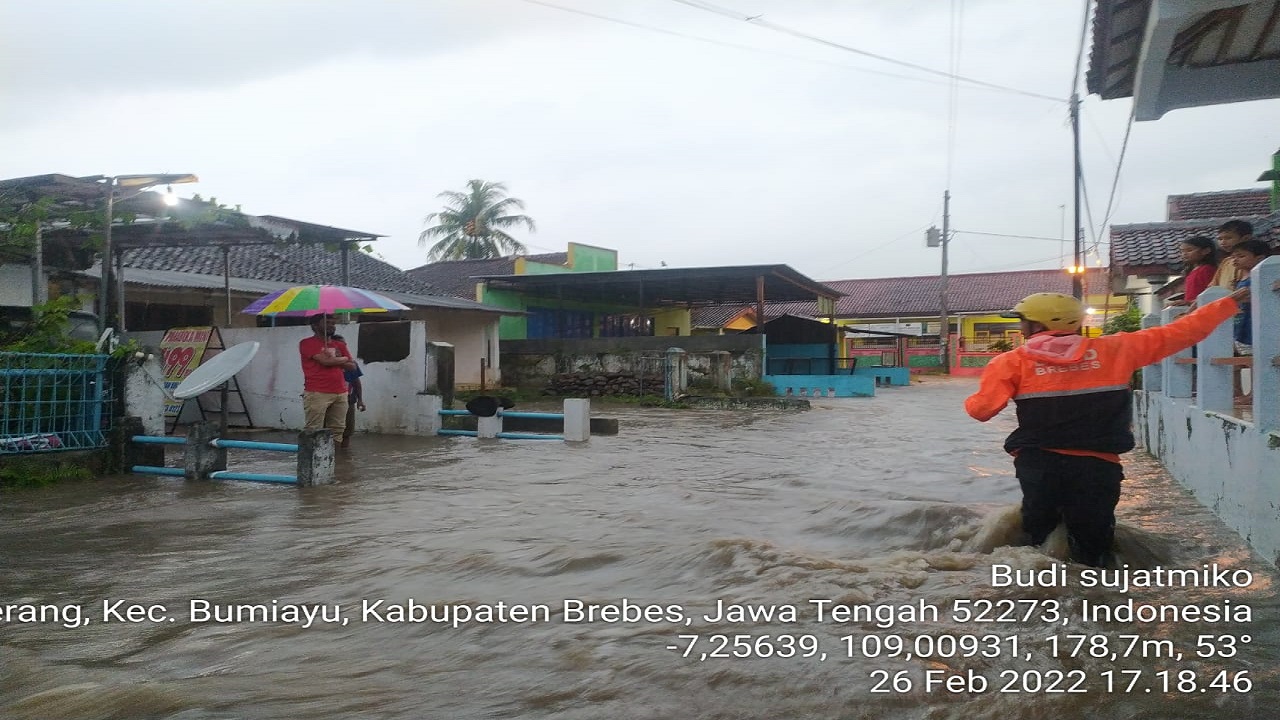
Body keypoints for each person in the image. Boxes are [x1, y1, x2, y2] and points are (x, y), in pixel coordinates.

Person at [964, 287, 1249, 567]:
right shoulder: (1117, 349)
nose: (1021, 326)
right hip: (1098, 464)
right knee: (1093, 541)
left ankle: (1041, 592)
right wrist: (1223, 306)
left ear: (1038, 323)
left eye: (1022, 320)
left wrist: (976, 396)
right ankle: (1096, 596)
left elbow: (982, 411)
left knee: (1038, 531)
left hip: (1038, 463)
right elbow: (1181, 333)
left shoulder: (1010, 362)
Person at [299, 314, 356, 438]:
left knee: (338, 430)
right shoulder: (307, 343)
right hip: (317, 392)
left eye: (333, 323)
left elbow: (352, 366)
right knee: (313, 429)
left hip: (340, 392)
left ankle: (336, 457)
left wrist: (340, 358)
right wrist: (343, 359)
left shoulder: (339, 345)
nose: (331, 325)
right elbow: (326, 362)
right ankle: (312, 457)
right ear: (314, 326)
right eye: (327, 322)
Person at [1228, 239, 1272, 355]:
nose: (1235, 260)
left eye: (1241, 256)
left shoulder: (1263, 278)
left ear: (1259, 258)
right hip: (1241, 327)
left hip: (1255, 329)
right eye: (1233, 257)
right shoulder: (1240, 279)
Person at [331, 333, 366, 448]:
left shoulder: (351, 364)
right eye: (339, 346)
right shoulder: (325, 362)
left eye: (344, 345)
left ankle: (342, 456)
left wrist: (360, 400)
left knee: (347, 431)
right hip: (330, 400)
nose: (342, 348)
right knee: (329, 429)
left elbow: (356, 383)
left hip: (348, 400)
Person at [1167, 235, 1217, 306]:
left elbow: (1211, 294)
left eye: (1189, 250)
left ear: (1206, 251)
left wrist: (1188, 302)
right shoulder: (1192, 271)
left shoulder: (1207, 269)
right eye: (1182, 251)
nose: (1184, 254)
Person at [1209, 220, 1254, 291]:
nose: (1223, 242)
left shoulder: (1252, 260)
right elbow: (1213, 287)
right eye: (1220, 239)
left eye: (1228, 238)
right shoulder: (1226, 262)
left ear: (1246, 238)